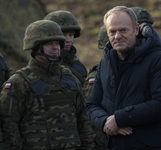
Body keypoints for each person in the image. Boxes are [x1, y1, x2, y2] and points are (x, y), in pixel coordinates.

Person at [86, 6, 161, 150]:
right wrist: (106, 122)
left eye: (123, 30)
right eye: (112, 32)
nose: (117, 36)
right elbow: (92, 105)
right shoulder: (105, 63)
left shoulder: (157, 60)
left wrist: (120, 118)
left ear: (136, 29)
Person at [0, 20, 95, 150]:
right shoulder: (19, 82)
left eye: (57, 43)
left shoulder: (70, 79)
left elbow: (84, 120)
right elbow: (8, 128)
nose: (55, 47)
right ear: (36, 46)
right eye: (49, 43)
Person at [44, 10, 87, 86]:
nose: (68, 40)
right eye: (63, 35)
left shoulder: (77, 65)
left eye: (71, 35)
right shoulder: (42, 65)